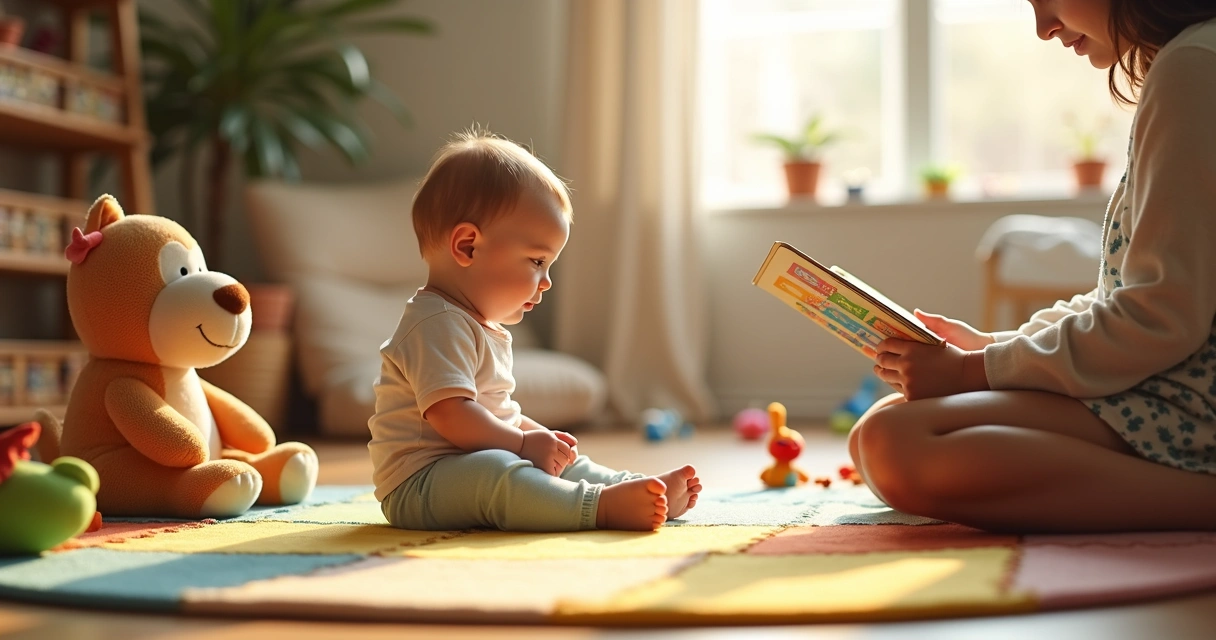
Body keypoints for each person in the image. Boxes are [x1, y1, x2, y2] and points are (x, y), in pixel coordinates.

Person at [850, 0, 1216, 533]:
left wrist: (970, 371)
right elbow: (1133, 298)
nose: (1044, 28)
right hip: (1176, 383)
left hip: (1192, 401)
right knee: (881, 430)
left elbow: (1158, 319)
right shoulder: (1192, 60)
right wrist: (991, 348)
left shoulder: (1192, 69)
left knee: (895, 442)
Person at [368, 131, 701, 532]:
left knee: (559, 454)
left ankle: (631, 487)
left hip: (465, 464)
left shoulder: (476, 325)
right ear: (468, 247)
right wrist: (522, 445)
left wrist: (542, 441)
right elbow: (452, 415)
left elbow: (498, 415)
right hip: (419, 485)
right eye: (537, 261)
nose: (546, 282)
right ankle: (600, 507)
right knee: (500, 468)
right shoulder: (435, 323)